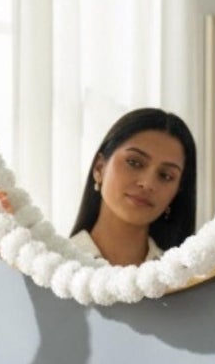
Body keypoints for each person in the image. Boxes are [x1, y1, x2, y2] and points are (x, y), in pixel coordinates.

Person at [69, 107, 198, 266]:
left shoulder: (183, 279)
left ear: (177, 191)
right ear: (99, 168)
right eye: (134, 163)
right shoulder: (56, 269)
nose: (148, 183)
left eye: (165, 176)